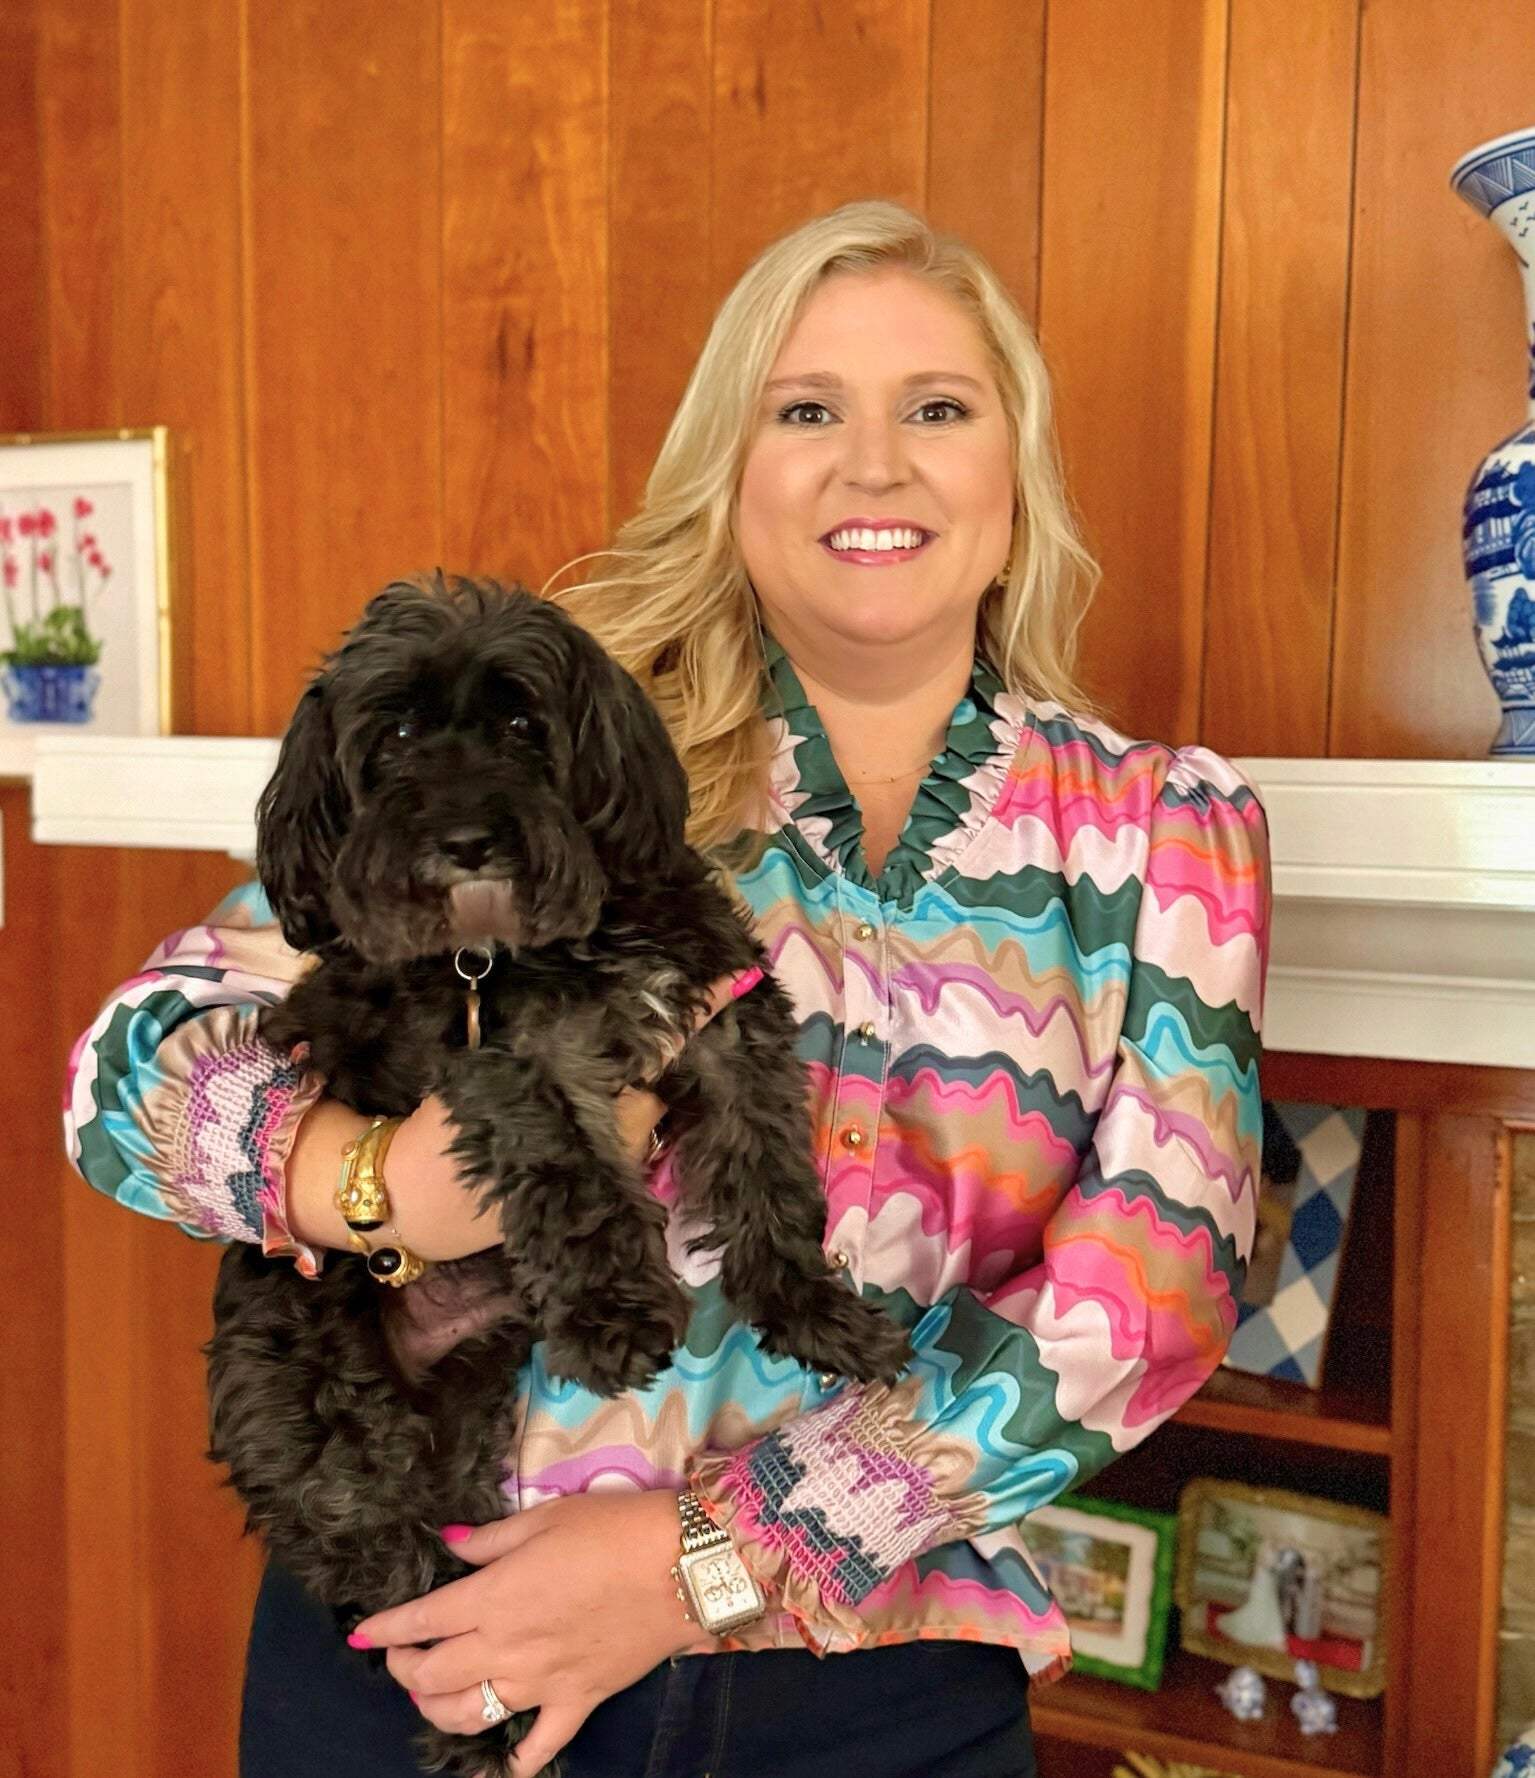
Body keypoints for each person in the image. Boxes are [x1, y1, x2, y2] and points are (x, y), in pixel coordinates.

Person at [65, 199, 1271, 1778]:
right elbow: (127, 1072)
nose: (875, 463)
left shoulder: (1165, 831)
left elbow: (1152, 1293)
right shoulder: (553, 745)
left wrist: (702, 1559)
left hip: (875, 1701)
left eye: (937, 408)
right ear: (735, 464)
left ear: (1015, 463)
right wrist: (379, 1188)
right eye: (806, 409)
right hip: (437, 1647)